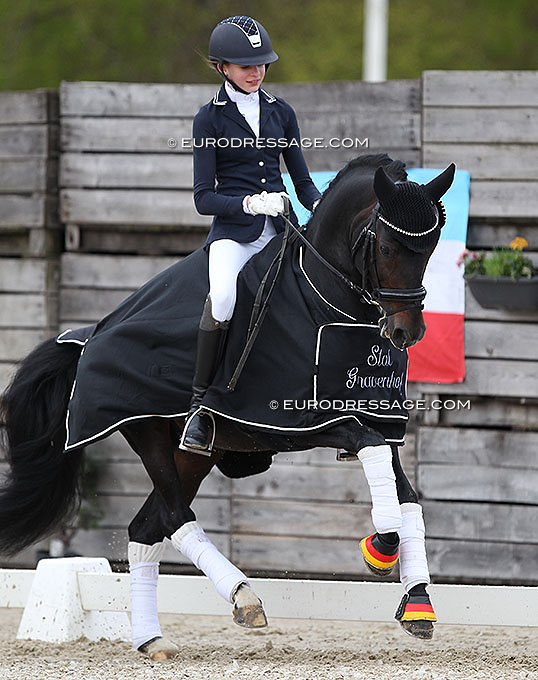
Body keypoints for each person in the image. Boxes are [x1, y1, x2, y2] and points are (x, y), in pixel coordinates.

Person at [181, 15, 321, 453]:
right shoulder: (209, 120)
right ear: (222, 67)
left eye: (262, 64)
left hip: (282, 229)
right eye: (246, 66)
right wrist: (248, 203)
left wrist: (319, 206)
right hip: (235, 233)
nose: (256, 72)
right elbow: (203, 198)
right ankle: (200, 408)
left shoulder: (282, 113)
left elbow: (301, 180)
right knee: (223, 297)